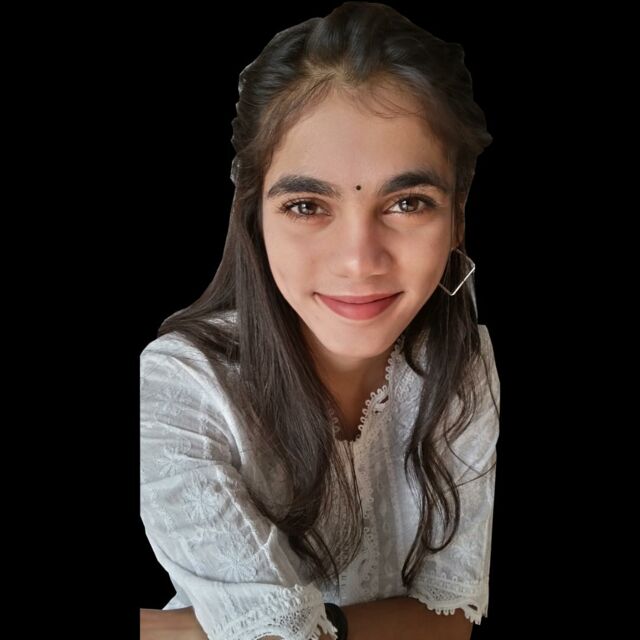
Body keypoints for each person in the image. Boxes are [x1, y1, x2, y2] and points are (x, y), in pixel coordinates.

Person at [139, 2, 500, 639]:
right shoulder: (179, 388)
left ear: (458, 215)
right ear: (254, 214)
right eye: (307, 205)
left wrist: (188, 631)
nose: (359, 261)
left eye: (408, 203)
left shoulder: (460, 364)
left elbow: (448, 620)